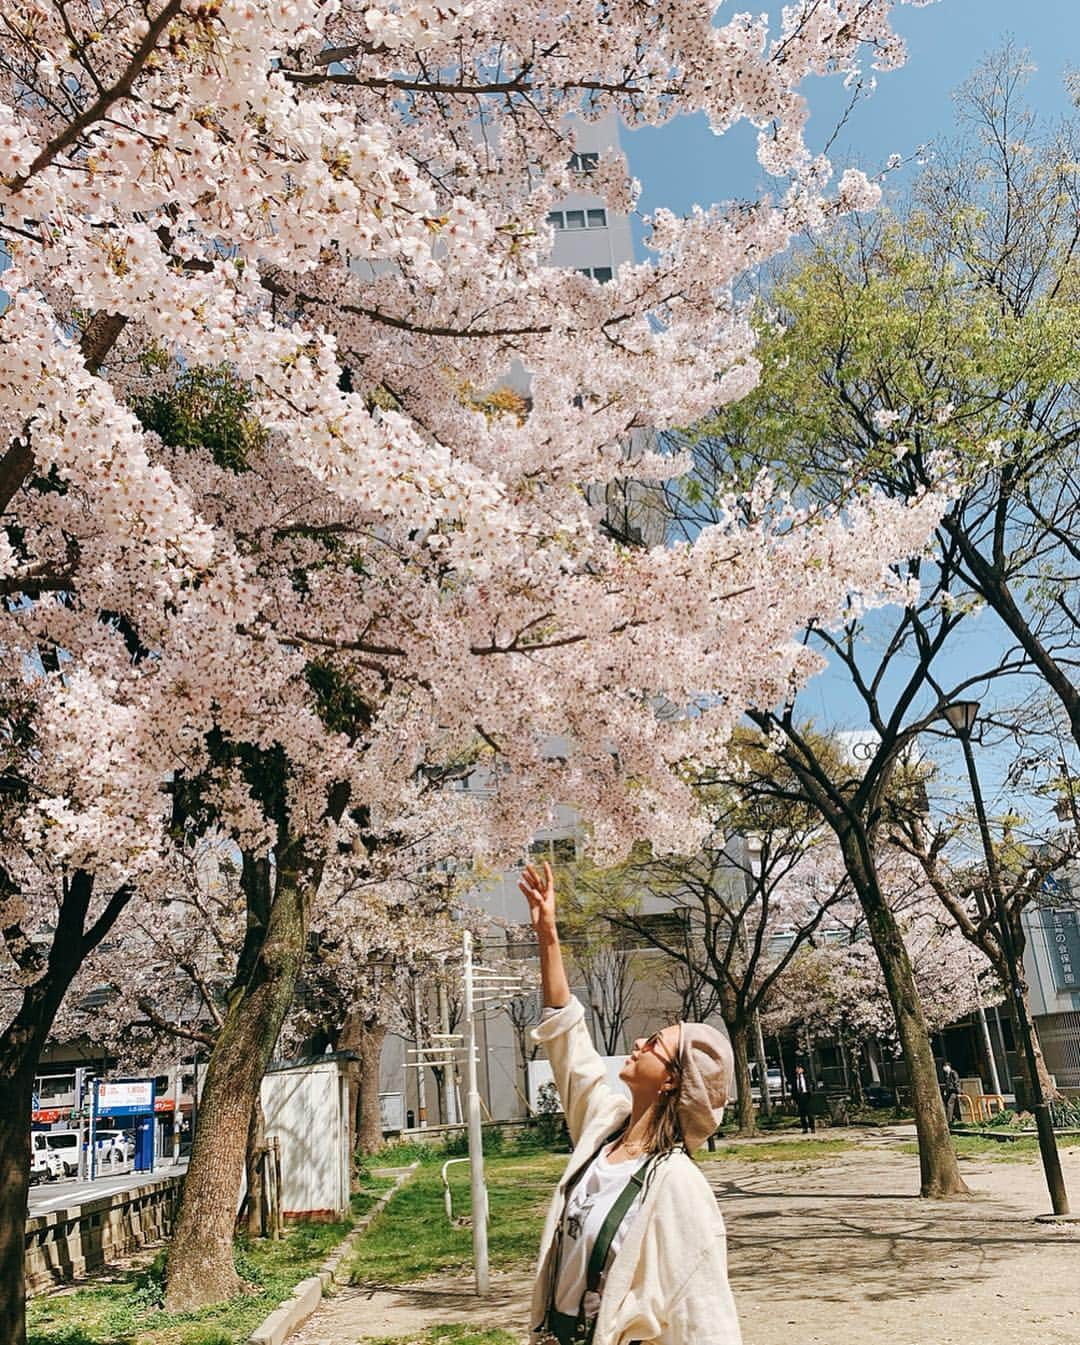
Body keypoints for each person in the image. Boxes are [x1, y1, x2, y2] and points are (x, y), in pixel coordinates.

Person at [520, 861, 742, 1345]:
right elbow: (569, 1044)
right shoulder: (602, 1129)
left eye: (656, 1044)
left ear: (672, 1081)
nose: (639, 1041)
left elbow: (705, 1313)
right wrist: (548, 935)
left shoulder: (677, 1184)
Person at [793, 1064, 814, 1134]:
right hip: (799, 1096)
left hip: (806, 1095)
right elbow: (794, 1089)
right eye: (797, 1068)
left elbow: (811, 1085)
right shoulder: (795, 1078)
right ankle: (804, 1128)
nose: (798, 1070)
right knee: (802, 1114)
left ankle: (812, 1127)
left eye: (799, 1068)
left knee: (809, 1113)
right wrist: (795, 1098)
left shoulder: (806, 1077)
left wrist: (810, 1093)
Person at [941, 1061, 961, 1125]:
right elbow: (947, 1084)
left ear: (948, 1067)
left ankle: (949, 1120)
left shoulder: (953, 1073)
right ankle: (952, 1118)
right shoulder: (947, 1074)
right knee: (946, 1103)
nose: (944, 1068)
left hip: (954, 1091)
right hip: (949, 1091)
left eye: (945, 1066)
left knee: (950, 1103)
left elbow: (956, 1082)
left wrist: (958, 1091)